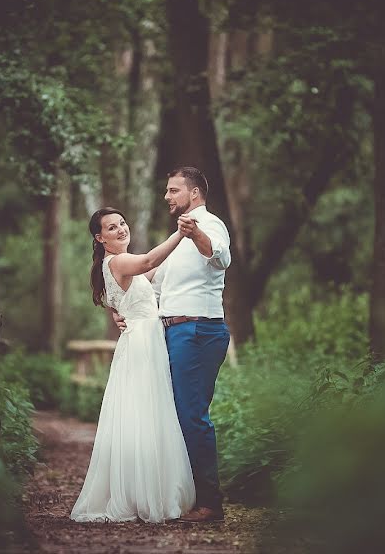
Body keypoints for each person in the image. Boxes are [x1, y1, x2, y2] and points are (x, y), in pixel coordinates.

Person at [114, 166, 232, 523]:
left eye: (173, 190)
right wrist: (120, 310)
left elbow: (221, 256)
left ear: (193, 193)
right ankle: (185, 495)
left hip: (197, 331)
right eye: (167, 191)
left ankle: (211, 503)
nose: (167, 197)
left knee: (191, 415)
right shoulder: (178, 239)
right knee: (175, 414)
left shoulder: (209, 225)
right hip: (172, 332)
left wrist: (196, 235)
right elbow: (150, 285)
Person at [70, 207, 195, 523]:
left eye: (122, 223)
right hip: (142, 343)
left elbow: (151, 273)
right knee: (146, 412)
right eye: (112, 228)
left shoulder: (115, 265)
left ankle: (149, 487)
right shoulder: (119, 261)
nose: (121, 229)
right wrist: (182, 231)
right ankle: (145, 492)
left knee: (148, 412)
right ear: (100, 238)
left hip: (141, 339)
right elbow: (149, 261)